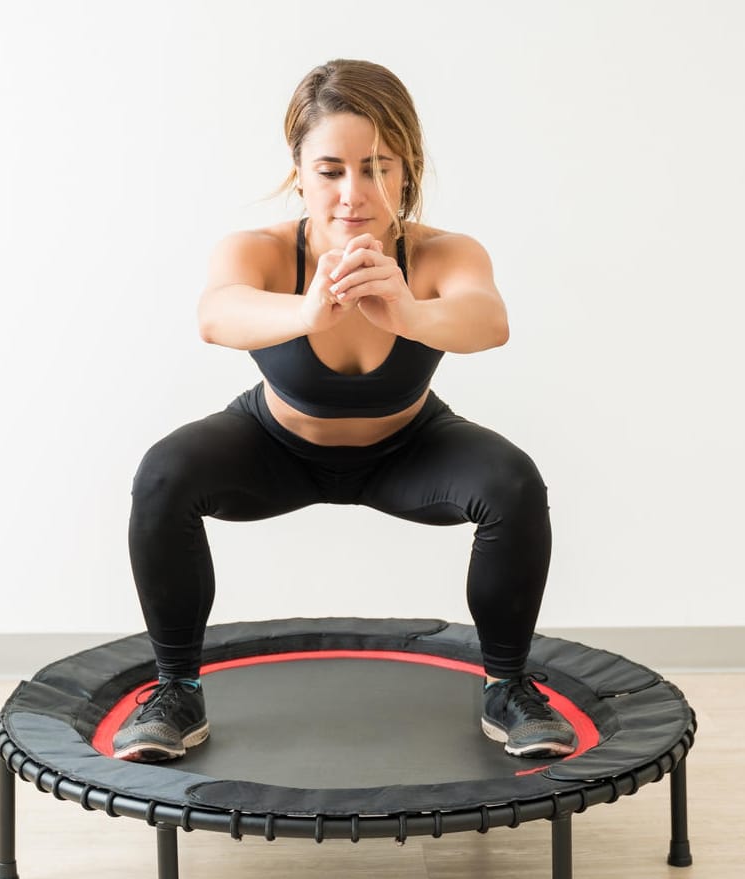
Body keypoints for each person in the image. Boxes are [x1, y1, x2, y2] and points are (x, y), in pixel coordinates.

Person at [112, 59, 572, 765]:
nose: (353, 193)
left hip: (408, 451)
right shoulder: (259, 251)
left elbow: (487, 321)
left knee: (512, 481)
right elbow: (217, 314)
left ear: (406, 168)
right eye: (330, 169)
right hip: (274, 449)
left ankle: (507, 688)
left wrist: (409, 311)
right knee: (163, 474)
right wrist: (307, 309)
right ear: (298, 170)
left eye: (377, 167)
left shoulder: (441, 253)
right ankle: (175, 690)